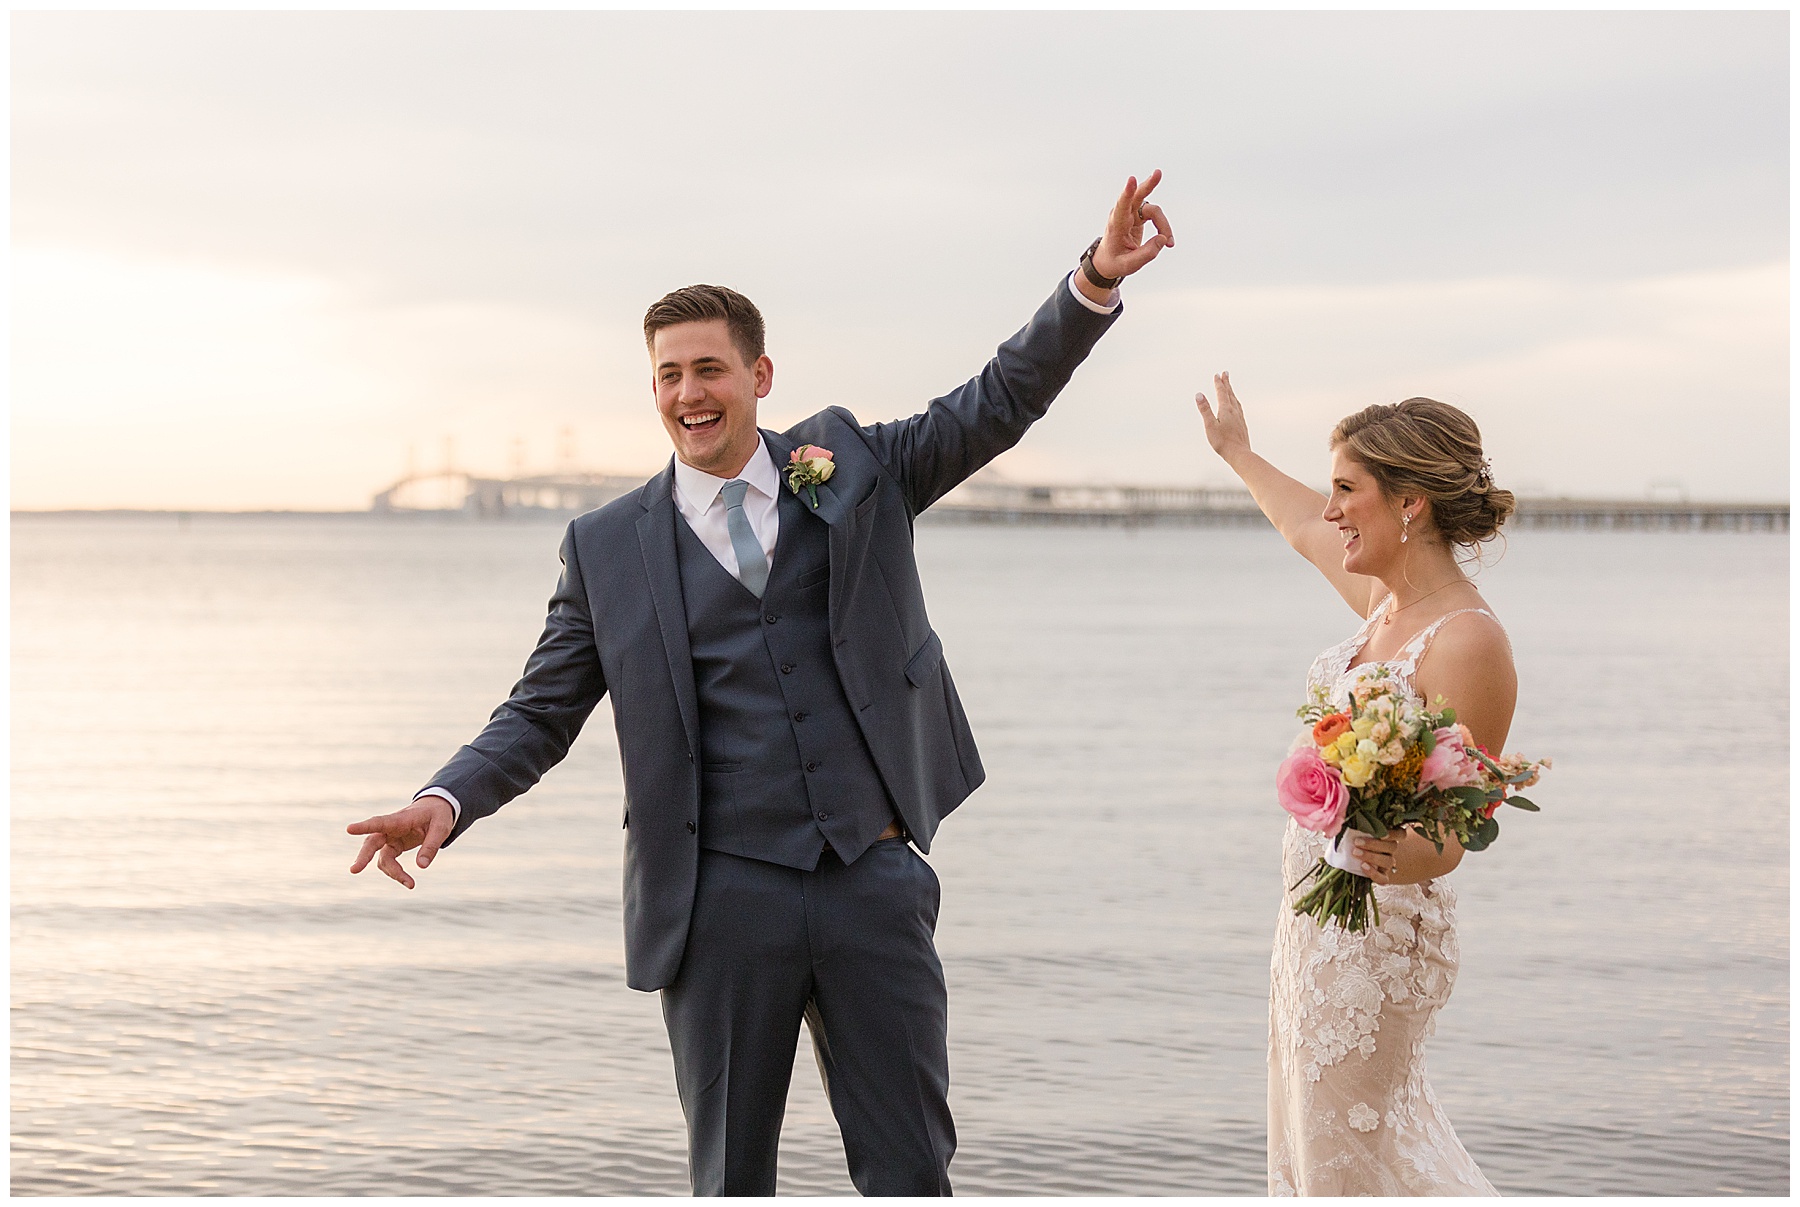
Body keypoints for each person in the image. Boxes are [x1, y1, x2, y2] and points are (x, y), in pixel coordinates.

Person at [345, 174, 1174, 1196]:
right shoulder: (605, 546)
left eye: (708, 369)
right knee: (730, 1178)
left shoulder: (855, 464)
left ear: (760, 373)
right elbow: (541, 709)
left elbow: (995, 403)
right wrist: (444, 797)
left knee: (913, 1169)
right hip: (719, 898)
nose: (688, 393)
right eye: (666, 376)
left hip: (871, 878)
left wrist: (1092, 281)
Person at [1196, 372, 1516, 1196]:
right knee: (1313, 1157)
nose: (1332, 508)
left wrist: (1367, 841)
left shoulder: (1469, 641)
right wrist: (1238, 451)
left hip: (1375, 946)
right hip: (1309, 936)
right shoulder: (1383, 603)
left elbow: (1451, 836)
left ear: (1410, 504)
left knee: (1352, 1167)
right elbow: (1300, 523)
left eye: (1348, 489)